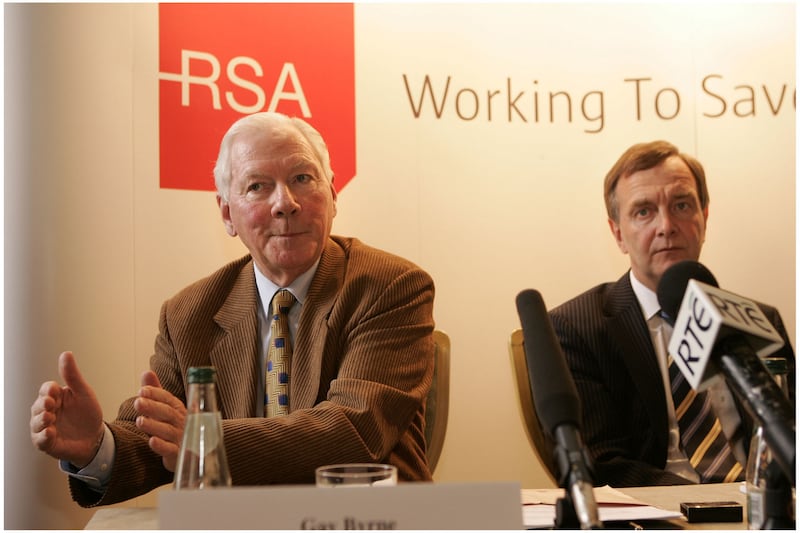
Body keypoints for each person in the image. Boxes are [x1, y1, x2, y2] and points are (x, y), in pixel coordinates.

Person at [29, 112, 436, 507]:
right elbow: (161, 437)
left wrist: (204, 439)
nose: (286, 203)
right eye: (258, 186)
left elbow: (353, 430)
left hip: (367, 521)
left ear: (332, 195)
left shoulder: (390, 285)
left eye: (302, 178)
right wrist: (97, 446)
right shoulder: (188, 314)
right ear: (227, 213)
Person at [548, 140, 795, 487]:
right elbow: (600, 465)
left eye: (681, 205)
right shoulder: (575, 328)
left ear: (704, 218)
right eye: (643, 211)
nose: (666, 225)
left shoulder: (760, 321)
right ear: (618, 233)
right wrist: (709, 506)